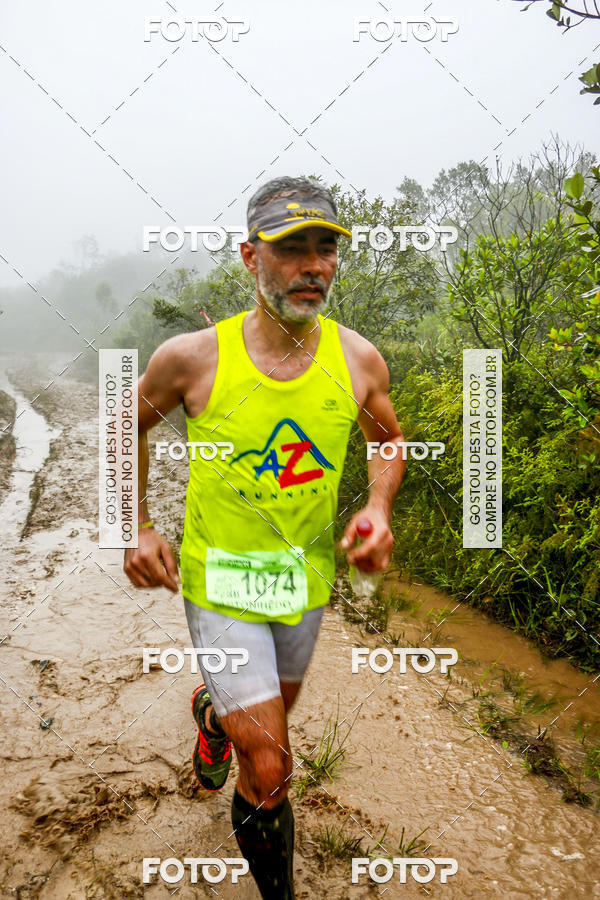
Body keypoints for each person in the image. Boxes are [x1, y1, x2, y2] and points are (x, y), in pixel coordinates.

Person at [124, 176, 406, 898]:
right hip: (219, 581)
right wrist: (137, 525)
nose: (313, 265)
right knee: (273, 764)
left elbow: (389, 441)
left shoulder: (358, 360)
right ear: (251, 258)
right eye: (291, 248)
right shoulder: (193, 358)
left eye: (326, 248)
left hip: (303, 584)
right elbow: (126, 429)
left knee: (262, 726)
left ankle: (211, 716)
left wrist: (377, 505)